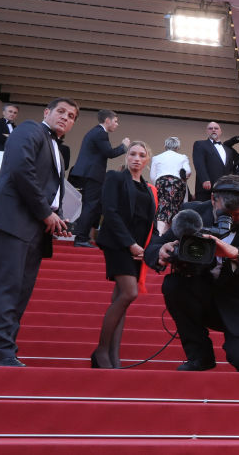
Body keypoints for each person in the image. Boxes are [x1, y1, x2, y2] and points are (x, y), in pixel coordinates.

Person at [0, 98, 79, 366]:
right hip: (12, 221)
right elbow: (22, 169)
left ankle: (5, 351)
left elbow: (47, 186)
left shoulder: (56, 146)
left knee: (19, 292)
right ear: (47, 112)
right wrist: (46, 212)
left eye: (71, 116)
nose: (66, 117)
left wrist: (58, 218)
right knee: (7, 289)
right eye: (61, 112)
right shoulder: (30, 129)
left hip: (34, 226)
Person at [144, 175, 239, 372]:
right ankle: (200, 356)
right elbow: (153, 246)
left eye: (238, 214)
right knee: (173, 285)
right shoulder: (193, 213)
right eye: (225, 213)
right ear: (213, 200)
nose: (231, 219)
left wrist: (233, 253)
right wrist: (161, 251)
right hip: (203, 295)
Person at [92, 141, 157, 369]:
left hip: (138, 249)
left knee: (121, 298)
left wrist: (148, 249)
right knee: (130, 293)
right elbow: (109, 211)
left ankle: (113, 356)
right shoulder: (115, 178)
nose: (136, 158)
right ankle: (101, 351)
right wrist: (130, 244)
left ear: (147, 160)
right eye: (132, 154)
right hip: (118, 244)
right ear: (126, 157)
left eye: (141, 155)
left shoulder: (148, 188)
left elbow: (149, 223)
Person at [69, 109, 129, 248]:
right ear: (107, 120)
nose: (117, 124)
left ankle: (82, 236)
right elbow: (110, 153)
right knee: (91, 206)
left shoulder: (96, 132)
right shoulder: (100, 133)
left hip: (89, 173)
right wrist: (123, 146)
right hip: (92, 174)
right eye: (115, 121)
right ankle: (81, 238)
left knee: (90, 205)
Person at [149, 136, 192, 235]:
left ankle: (159, 235)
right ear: (177, 147)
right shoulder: (183, 157)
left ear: (165, 146)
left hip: (161, 183)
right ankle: (171, 237)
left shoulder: (157, 157)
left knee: (162, 209)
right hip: (177, 184)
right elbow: (188, 171)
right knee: (176, 210)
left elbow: (152, 176)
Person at [192, 121, 235, 201]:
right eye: (210, 128)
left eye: (216, 128)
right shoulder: (200, 144)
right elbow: (199, 163)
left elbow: (229, 169)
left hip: (223, 190)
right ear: (207, 131)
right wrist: (204, 179)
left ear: (220, 131)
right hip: (207, 189)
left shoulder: (228, 150)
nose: (213, 130)